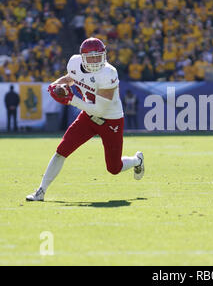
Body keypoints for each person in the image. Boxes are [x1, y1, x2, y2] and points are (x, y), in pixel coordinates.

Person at [26, 37, 145, 202]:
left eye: (99, 56)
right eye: (91, 57)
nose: (96, 61)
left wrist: (70, 99)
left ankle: (137, 160)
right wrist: (56, 84)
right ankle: (41, 191)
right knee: (62, 150)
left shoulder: (108, 73)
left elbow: (100, 109)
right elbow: (71, 78)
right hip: (88, 116)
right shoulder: (74, 63)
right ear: (82, 58)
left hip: (110, 120)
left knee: (114, 168)